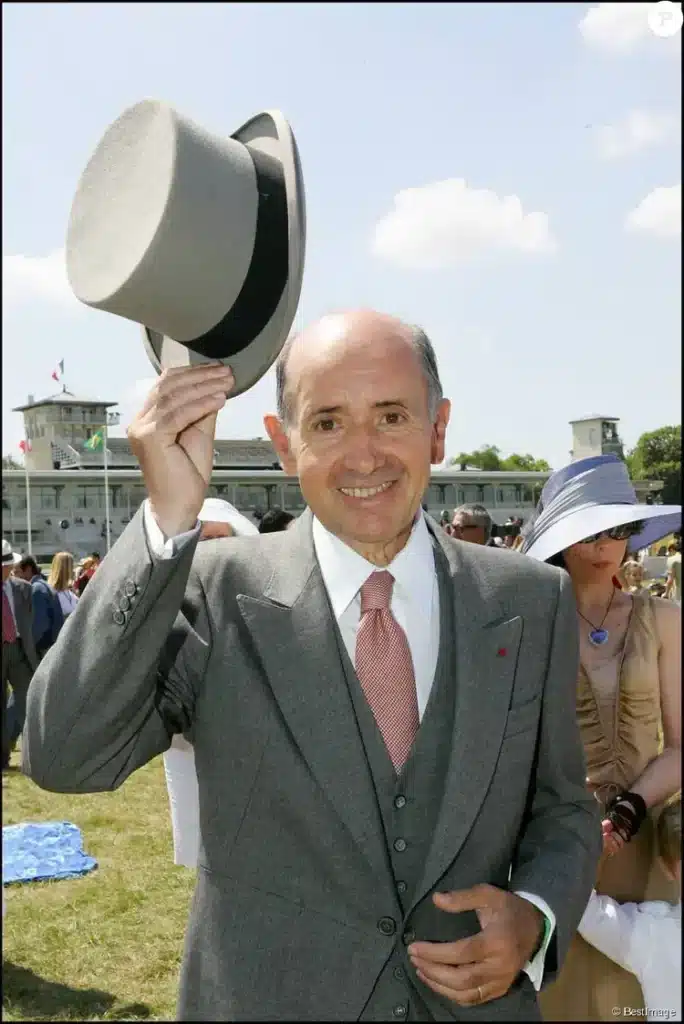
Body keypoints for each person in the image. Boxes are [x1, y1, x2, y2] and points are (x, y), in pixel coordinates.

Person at [24, 310, 601, 1022]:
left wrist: (537, 917)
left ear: (439, 429)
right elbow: (66, 755)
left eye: (391, 416)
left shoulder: (531, 599)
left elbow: (564, 810)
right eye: (327, 422)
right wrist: (168, 520)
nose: (364, 455)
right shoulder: (215, 591)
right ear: (283, 444)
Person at [520, 454, 681, 1022]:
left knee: (634, 998)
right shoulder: (524, 622)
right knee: (559, 993)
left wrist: (635, 805)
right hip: (555, 841)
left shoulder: (664, 618)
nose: (606, 543)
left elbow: (681, 745)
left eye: (619, 528)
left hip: (643, 839)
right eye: (590, 529)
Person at [163, 497, 258, 869]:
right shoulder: (171, 601)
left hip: (253, 742)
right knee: (199, 840)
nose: (211, 549)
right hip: (187, 740)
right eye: (200, 540)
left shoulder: (257, 596)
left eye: (219, 538)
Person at [577, 798, 681, 1023]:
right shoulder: (653, 933)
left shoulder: (654, 932)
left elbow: (582, 910)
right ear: (668, 869)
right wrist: (599, 853)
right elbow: (584, 911)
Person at [2, 540, 38, 770]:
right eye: (8, 565)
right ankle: (3, 757)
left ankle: (8, 738)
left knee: (27, 695)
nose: (11, 569)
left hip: (18, 649)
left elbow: (30, 622)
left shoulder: (23, 588)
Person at [13, 555, 64, 660]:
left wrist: (29, 651)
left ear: (27, 570)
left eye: (17, 572)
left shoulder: (35, 590)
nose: (15, 577)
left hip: (43, 649)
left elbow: (38, 625)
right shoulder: (43, 585)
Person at [47, 552, 79, 621]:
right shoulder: (51, 593)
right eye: (72, 566)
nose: (74, 570)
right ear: (65, 569)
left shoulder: (70, 592)